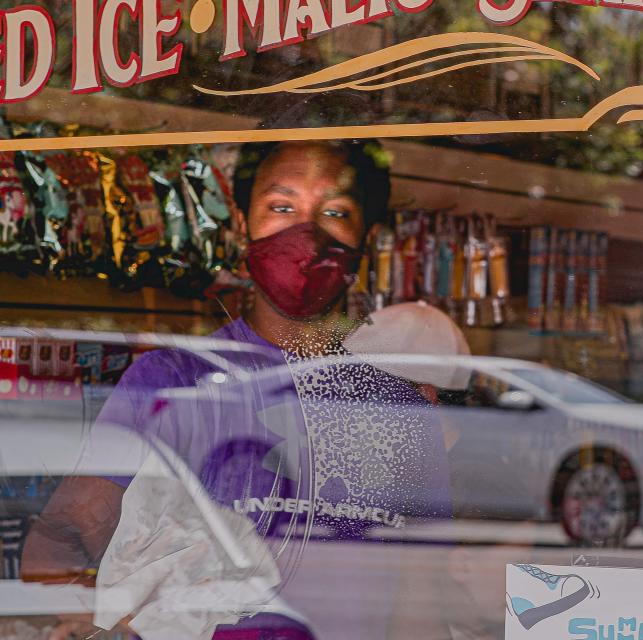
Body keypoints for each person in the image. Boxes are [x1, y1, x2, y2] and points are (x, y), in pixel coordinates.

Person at [21, 139, 452, 639]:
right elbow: (64, 537)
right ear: (243, 224)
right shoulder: (174, 381)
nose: (304, 233)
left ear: (366, 237)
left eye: (334, 211)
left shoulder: (400, 410)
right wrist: (81, 624)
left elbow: (422, 598)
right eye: (281, 206)